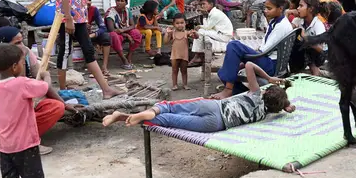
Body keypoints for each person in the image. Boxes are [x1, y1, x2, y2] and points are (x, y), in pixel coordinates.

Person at [102, 62, 296, 132]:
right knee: (169, 120)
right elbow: (281, 107)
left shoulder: (255, 95)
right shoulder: (264, 113)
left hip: (214, 107)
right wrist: (285, 106)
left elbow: (248, 66)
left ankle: (138, 113)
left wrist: (269, 78)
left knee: (170, 106)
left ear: (265, 92)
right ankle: (123, 116)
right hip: (216, 125)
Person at [0, 26, 73, 154]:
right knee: (20, 108)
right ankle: (28, 142)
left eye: (22, 41)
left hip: (24, 98)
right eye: (17, 43)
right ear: (4, 47)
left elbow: (40, 82)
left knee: (56, 107)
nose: (22, 45)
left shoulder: (26, 52)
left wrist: (64, 104)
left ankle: (26, 138)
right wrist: (42, 81)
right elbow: (15, 88)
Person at [0, 43, 52, 178]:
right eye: (23, 63)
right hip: (26, 141)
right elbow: (44, 88)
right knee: (36, 173)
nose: (24, 65)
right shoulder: (22, 84)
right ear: (15, 67)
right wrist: (46, 75)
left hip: (5, 142)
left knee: (8, 175)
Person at [211, 0, 293, 100]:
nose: (265, 11)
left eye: (269, 8)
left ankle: (228, 90)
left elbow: (264, 50)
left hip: (271, 65)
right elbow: (263, 47)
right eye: (265, 8)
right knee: (224, 70)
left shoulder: (281, 26)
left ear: (280, 8)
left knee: (234, 46)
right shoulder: (276, 22)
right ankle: (239, 91)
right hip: (270, 60)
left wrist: (244, 58)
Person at [188, 0, 234, 66]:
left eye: (204, 4)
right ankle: (199, 55)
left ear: (211, 4)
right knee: (200, 32)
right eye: (201, 4)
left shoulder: (215, 14)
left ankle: (198, 55)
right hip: (219, 33)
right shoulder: (212, 12)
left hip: (224, 36)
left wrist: (199, 26)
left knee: (200, 32)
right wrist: (204, 16)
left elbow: (208, 27)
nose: (202, 6)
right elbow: (209, 26)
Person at [290, 0, 326, 76]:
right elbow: (286, 32)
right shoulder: (298, 20)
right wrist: (287, 13)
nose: (298, 8)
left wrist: (305, 37)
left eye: (301, 6)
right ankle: (295, 71)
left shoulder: (318, 25)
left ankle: (316, 74)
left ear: (311, 9)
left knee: (307, 47)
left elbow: (320, 48)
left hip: (319, 55)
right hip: (304, 52)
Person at [105, 0, 143, 69]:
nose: (119, 3)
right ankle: (124, 59)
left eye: (122, 1)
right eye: (118, 0)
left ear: (126, 3)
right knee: (114, 36)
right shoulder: (110, 12)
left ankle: (129, 55)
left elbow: (132, 25)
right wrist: (126, 35)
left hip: (123, 31)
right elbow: (111, 30)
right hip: (115, 33)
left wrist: (123, 30)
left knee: (137, 33)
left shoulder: (127, 10)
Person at [86, 0, 111, 76]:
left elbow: (103, 27)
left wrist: (93, 34)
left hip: (89, 34)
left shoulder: (93, 10)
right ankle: (91, 67)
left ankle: (104, 66)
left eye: (89, 0)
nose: (88, 2)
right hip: (76, 34)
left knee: (106, 37)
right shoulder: (73, 10)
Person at [164, 13, 191, 91]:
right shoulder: (172, 33)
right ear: (174, 24)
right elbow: (165, 42)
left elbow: (196, 37)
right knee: (174, 70)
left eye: (182, 23)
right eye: (177, 23)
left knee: (184, 70)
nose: (180, 25)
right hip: (174, 55)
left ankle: (185, 84)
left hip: (184, 55)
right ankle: (174, 85)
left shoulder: (186, 33)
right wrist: (167, 33)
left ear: (185, 23)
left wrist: (195, 33)